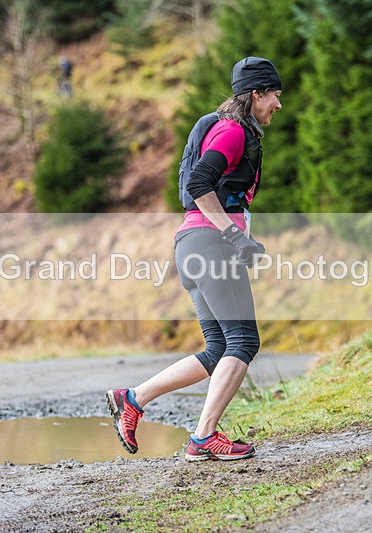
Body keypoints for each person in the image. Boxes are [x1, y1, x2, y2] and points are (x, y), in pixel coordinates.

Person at [106, 56, 283, 462]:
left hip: (192, 244)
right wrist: (234, 235)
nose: (278, 104)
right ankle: (203, 436)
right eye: (274, 95)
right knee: (243, 341)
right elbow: (199, 182)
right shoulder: (233, 131)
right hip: (210, 244)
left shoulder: (231, 129)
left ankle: (133, 398)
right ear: (256, 93)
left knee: (219, 346)